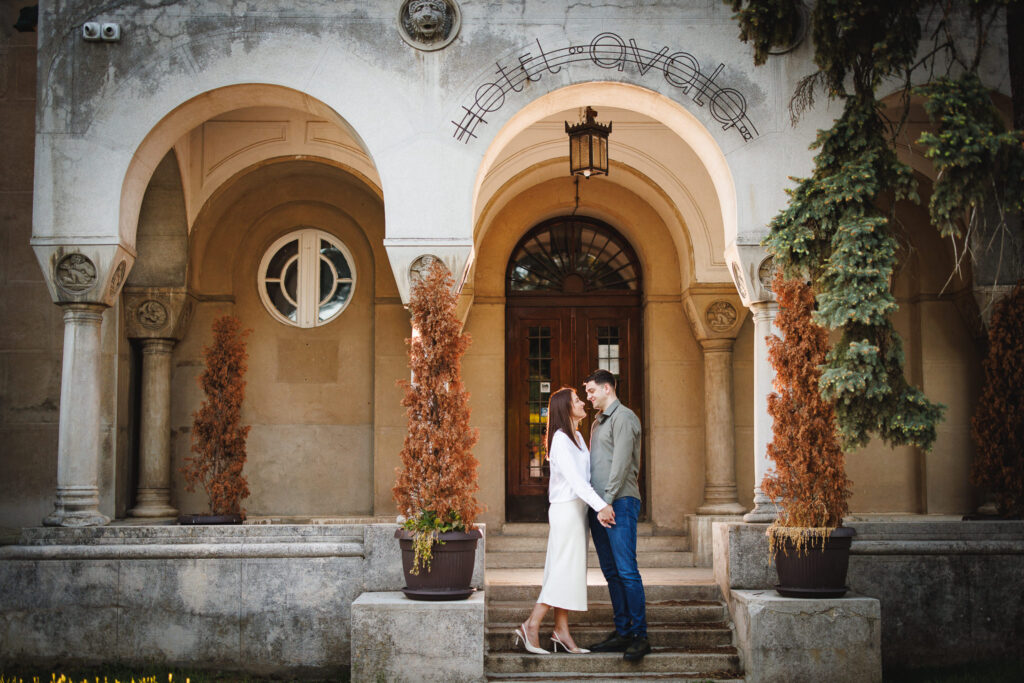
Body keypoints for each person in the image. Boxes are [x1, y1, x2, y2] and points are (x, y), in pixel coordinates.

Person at [514, 387, 616, 655]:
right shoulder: (560, 439)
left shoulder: (578, 437)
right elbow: (576, 482)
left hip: (578, 511)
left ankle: (561, 631)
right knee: (561, 571)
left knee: (569, 572)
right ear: (565, 408)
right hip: (566, 510)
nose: (583, 402)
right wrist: (602, 507)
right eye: (577, 400)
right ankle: (531, 625)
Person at [583, 369, 650, 661]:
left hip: (619, 503)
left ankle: (640, 635)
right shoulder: (598, 422)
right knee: (611, 573)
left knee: (626, 570)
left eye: (591, 391)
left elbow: (622, 463)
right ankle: (622, 631)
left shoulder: (624, 418)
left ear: (607, 388)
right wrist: (596, 505)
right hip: (600, 507)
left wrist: (607, 501)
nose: (588, 397)